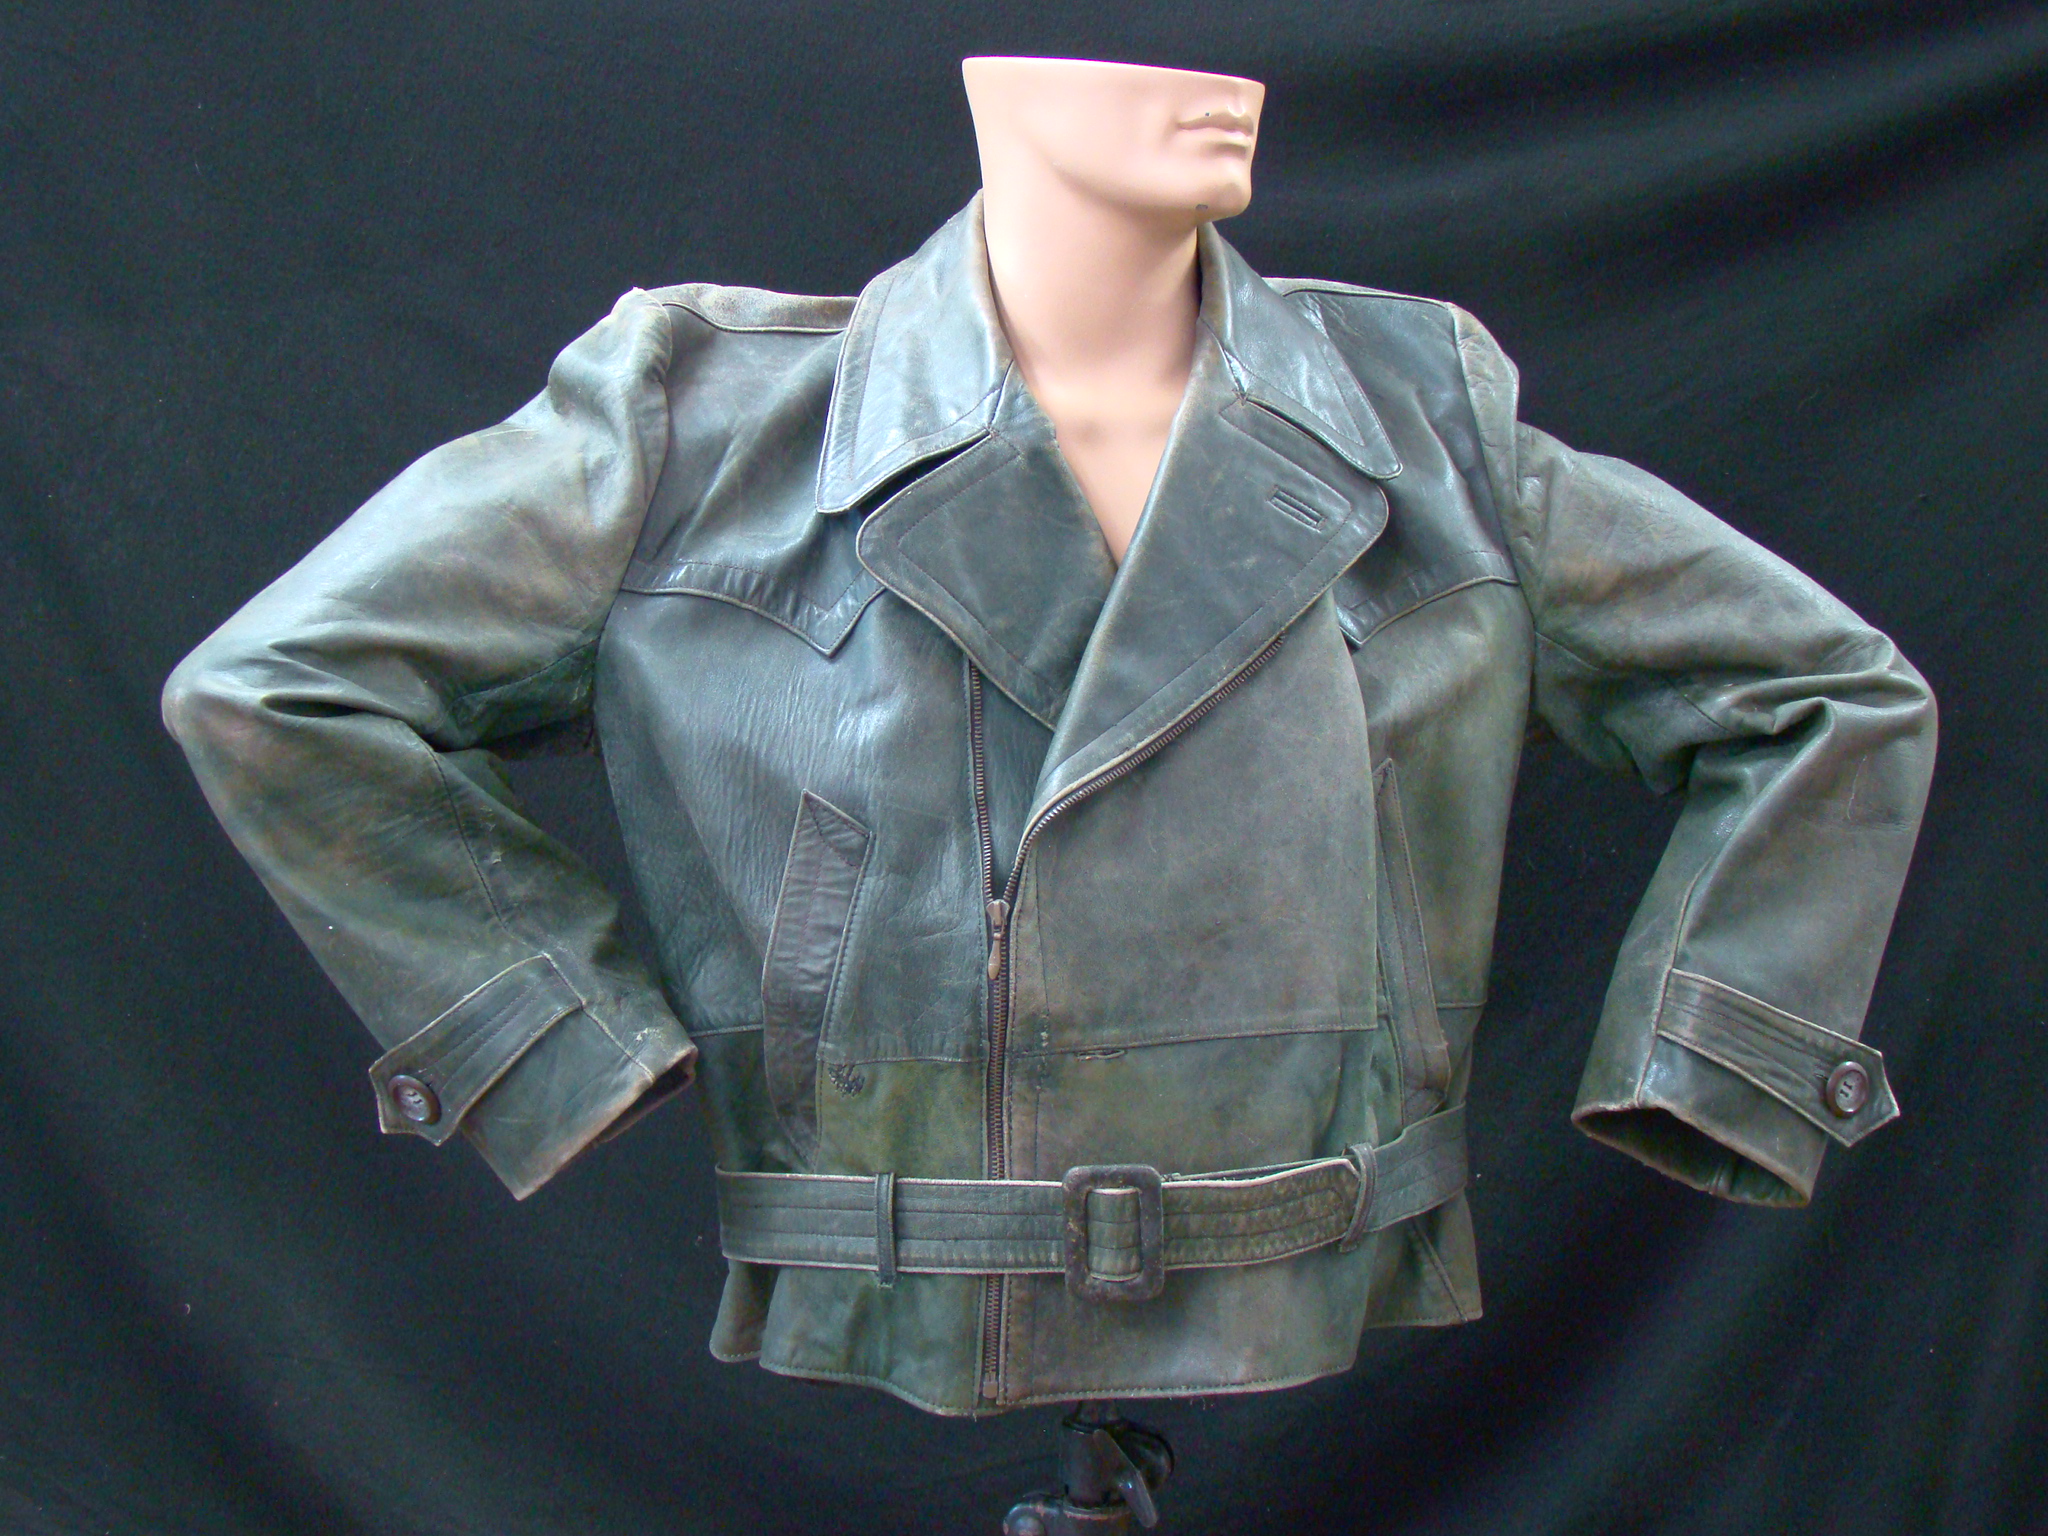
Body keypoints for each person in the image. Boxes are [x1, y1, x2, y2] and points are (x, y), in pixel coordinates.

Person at [161, 57, 1935, 1419]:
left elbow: (1824, 698)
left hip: (1316, 1246)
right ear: (991, 75)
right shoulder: (702, 426)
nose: (1223, 72)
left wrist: (1718, 1070)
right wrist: (563, 1043)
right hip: (894, 1266)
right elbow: (279, 692)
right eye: (1132, 38)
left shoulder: (1420, 422)